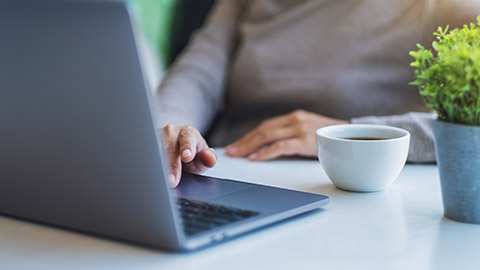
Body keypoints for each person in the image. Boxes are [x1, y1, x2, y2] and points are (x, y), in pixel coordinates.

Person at [154, 0, 480, 187]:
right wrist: (170, 131)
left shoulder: (442, 7)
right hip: (225, 174)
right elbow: (199, 69)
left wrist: (349, 135)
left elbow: (468, 129)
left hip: (345, 194)